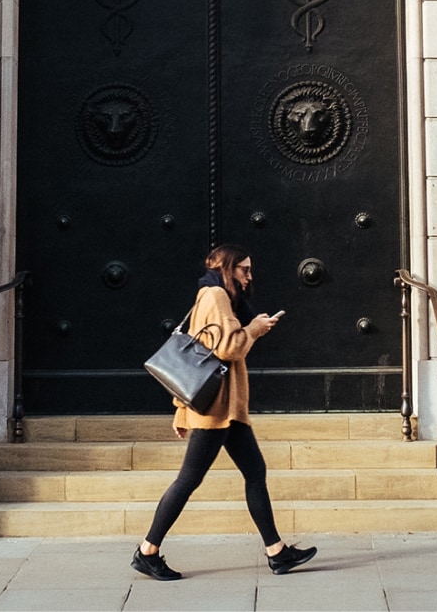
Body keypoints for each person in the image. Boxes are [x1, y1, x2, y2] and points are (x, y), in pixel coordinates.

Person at [130, 244, 319, 581]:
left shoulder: (213, 296)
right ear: (227, 268)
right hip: (216, 410)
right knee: (188, 480)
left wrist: (179, 410)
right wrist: (255, 329)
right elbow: (228, 348)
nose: (249, 277)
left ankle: (276, 551)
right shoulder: (216, 295)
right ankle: (148, 550)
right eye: (243, 270)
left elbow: (190, 354)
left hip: (225, 410)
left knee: (255, 471)